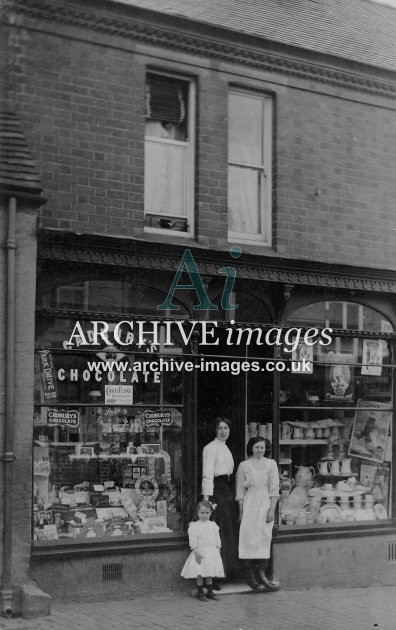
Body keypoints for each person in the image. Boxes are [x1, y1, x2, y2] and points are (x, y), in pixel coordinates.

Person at [236, 436, 280, 593]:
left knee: (263, 536)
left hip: (266, 502)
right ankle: (250, 576)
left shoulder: (271, 464)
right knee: (248, 536)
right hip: (250, 503)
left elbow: (274, 488)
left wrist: (272, 509)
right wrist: (241, 511)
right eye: (256, 447)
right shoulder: (244, 465)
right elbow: (240, 490)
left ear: (265, 448)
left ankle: (262, 574)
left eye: (262, 447)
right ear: (251, 448)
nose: (259, 450)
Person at [202, 417, 240, 585]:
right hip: (216, 491)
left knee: (228, 530)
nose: (223, 431)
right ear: (215, 430)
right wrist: (206, 500)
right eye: (220, 428)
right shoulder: (210, 448)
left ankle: (228, 572)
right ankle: (214, 576)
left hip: (227, 489)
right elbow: (208, 474)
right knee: (218, 533)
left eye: (226, 428)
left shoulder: (226, 448)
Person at [180, 500, 224, 602]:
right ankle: (200, 592)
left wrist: (218, 551)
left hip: (211, 552)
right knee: (199, 572)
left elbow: (217, 540)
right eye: (202, 513)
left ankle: (210, 591)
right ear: (198, 513)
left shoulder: (213, 525)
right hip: (200, 552)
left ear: (210, 513)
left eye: (207, 513)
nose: (204, 515)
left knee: (209, 572)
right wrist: (196, 552)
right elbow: (193, 541)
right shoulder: (194, 526)